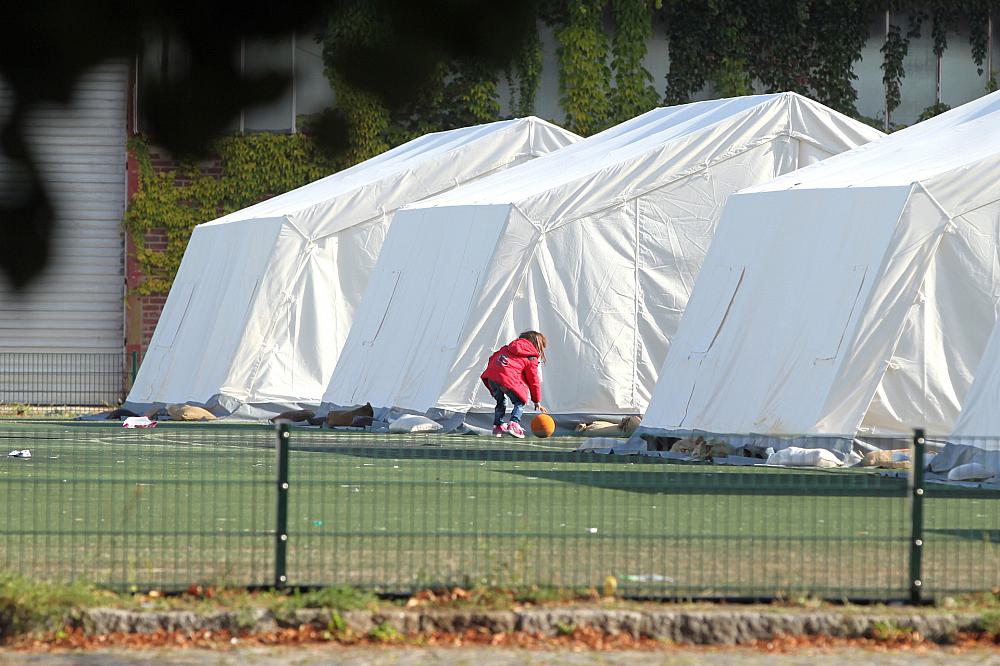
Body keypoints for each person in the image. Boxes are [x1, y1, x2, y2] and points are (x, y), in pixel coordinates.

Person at [480, 330, 547, 438]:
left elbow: (492, 358)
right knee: (519, 401)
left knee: (501, 401)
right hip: (506, 379)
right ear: (536, 345)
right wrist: (536, 400)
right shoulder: (530, 357)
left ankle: (498, 426)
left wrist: (495, 374)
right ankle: (514, 424)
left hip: (492, 377)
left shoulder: (506, 348)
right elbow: (533, 380)